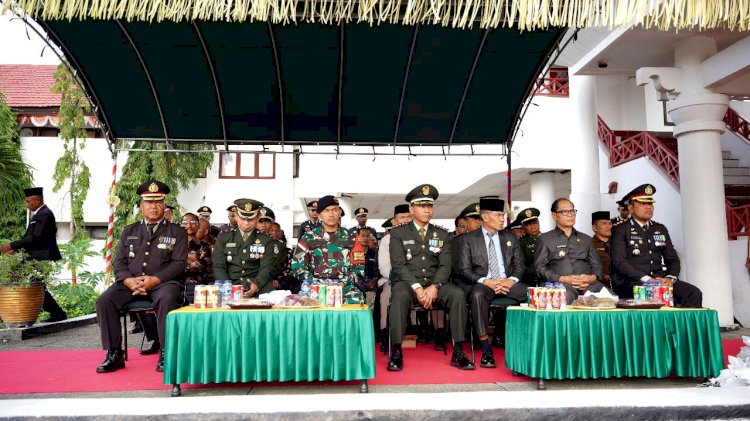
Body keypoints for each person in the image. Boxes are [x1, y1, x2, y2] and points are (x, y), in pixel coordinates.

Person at [95, 180, 187, 373]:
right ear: (141, 206)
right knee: (105, 300)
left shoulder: (177, 232)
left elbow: (179, 264)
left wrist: (155, 279)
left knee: (167, 299)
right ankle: (114, 353)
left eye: (158, 202)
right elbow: (119, 262)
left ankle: (166, 351)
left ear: (164, 205)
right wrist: (128, 280)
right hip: (131, 283)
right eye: (148, 203)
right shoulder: (130, 230)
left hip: (163, 283)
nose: (153, 207)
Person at [388, 184, 473, 371]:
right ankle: (396, 351)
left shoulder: (441, 234)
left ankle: (458, 350)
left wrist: (434, 286)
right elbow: (399, 266)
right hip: (409, 284)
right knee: (399, 295)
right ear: (411, 209)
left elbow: (445, 265)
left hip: (435, 284)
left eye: (430, 206)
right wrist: (418, 288)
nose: (427, 210)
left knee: (457, 295)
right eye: (422, 205)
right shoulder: (398, 234)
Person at [456, 197, 526, 367]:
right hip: (484, 284)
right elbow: (464, 270)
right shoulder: (468, 239)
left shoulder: (510, 237)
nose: (503, 219)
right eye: (498, 215)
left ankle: (527, 342)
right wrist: (486, 281)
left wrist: (511, 281)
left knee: (531, 294)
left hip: (507, 283)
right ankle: (486, 348)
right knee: (477, 295)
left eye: (503, 215)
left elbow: (520, 266)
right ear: (485, 217)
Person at [610, 184, 702, 307]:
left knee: (693, 293)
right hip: (633, 281)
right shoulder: (621, 230)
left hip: (660, 279)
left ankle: (685, 327)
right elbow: (620, 262)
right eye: (643, 204)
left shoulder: (660, 229)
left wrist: (670, 278)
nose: (648, 207)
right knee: (652, 293)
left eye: (650, 204)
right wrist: (647, 279)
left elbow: (672, 259)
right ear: (631, 208)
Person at [0, 187, 67, 323]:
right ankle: (57, 313)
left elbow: (35, 238)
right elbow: (32, 238)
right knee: (34, 285)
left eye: (28, 201)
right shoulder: (40, 214)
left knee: (33, 285)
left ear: (37, 200)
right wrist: (16, 250)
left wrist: (11, 246)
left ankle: (57, 313)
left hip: (40, 257)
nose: (27, 204)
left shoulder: (44, 214)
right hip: (36, 256)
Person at [291, 195, 365, 304]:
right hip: (315, 288)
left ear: (340, 212)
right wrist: (315, 283)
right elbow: (297, 266)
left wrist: (343, 283)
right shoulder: (308, 238)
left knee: (357, 303)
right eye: (326, 211)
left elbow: (359, 267)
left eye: (335, 210)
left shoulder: (352, 237)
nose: (331, 214)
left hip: (345, 289)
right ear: (319, 215)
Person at [534, 198, 604, 304]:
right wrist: (562, 279)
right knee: (565, 297)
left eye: (572, 211)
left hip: (587, 285)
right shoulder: (544, 239)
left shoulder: (586, 239)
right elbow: (540, 269)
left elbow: (598, 268)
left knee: (608, 298)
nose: (570, 215)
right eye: (565, 212)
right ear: (554, 215)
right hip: (558, 284)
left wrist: (590, 278)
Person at [213, 199, 275, 297]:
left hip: (258, 288)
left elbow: (267, 268)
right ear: (236, 216)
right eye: (242, 218)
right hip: (228, 287)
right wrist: (227, 287)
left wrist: (256, 285)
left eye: (250, 219)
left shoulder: (266, 240)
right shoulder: (224, 237)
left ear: (258, 217)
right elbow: (218, 266)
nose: (246, 223)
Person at [377, 204, 411, 351]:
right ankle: (386, 333)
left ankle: (439, 333)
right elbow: (384, 268)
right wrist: (403, 276)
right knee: (387, 293)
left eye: (408, 217)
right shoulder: (387, 240)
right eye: (401, 217)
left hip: (419, 280)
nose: (405, 220)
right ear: (394, 221)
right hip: (394, 279)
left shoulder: (420, 236)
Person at [256, 206, 287, 286]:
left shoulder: (280, 245)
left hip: (271, 282)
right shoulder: (248, 241)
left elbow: (280, 266)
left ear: (272, 223)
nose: (263, 225)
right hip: (252, 280)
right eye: (260, 221)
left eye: (267, 221)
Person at [518, 208, 541, 287]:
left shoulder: (548, 238)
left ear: (538, 223)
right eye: (528, 224)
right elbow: (522, 264)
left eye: (534, 223)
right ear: (523, 227)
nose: (533, 227)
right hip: (530, 278)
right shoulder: (521, 242)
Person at [591, 211, 613, 288]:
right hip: (600, 285)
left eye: (610, 223)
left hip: (621, 283)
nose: (609, 226)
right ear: (594, 228)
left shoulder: (618, 242)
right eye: (604, 223)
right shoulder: (589, 244)